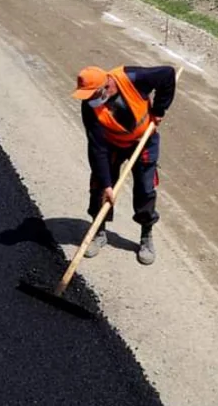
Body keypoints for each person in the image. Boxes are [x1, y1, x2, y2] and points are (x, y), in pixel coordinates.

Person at [71, 64, 176, 265]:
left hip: (143, 140)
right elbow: (97, 148)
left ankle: (146, 235)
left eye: (93, 94)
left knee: (145, 189)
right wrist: (107, 184)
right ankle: (99, 231)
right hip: (111, 145)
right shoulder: (89, 107)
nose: (90, 100)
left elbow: (168, 74)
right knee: (100, 187)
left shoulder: (133, 78)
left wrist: (159, 109)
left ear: (107, 85)